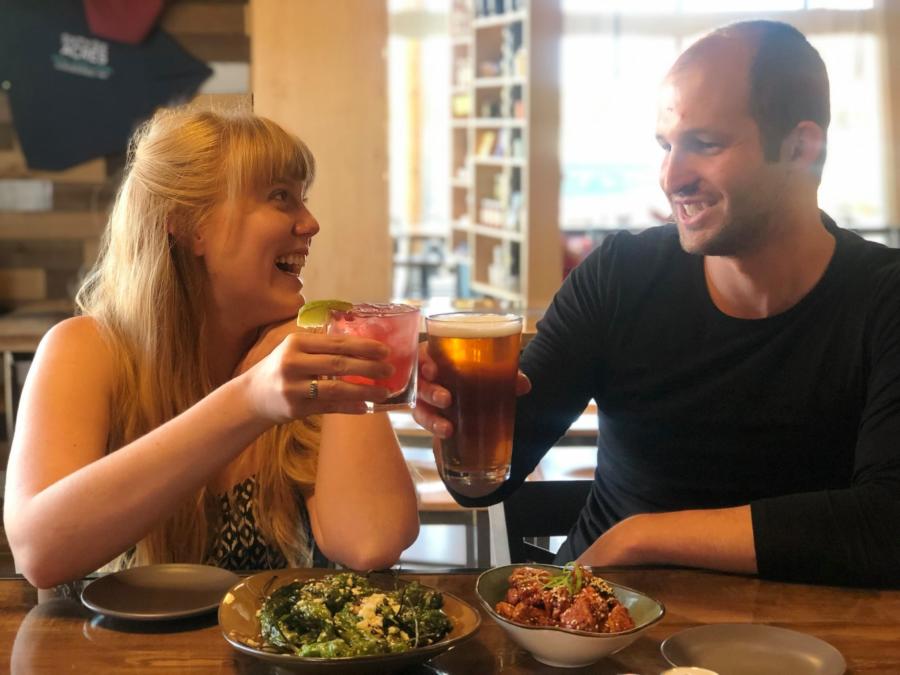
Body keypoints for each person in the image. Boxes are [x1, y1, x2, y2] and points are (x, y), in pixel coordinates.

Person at [416, 20, 900, 587]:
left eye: (706, 144)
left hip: (806, 633)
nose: (671, 177)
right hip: (608, 617)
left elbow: (887, 526)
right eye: (666, 146)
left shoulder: (882, 298)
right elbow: (488, 480)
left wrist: (644, 535)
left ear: (800, 147)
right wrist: (456, 419)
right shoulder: (621, 276)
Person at [3, 107, 420, 588]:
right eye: (280, 197)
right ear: (188, 224)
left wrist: (350, 352)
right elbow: (39, 553)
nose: (310, 224)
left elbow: (372, 543)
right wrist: (250, 400)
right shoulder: (86, 350)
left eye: (302, 199)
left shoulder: (305, 359)